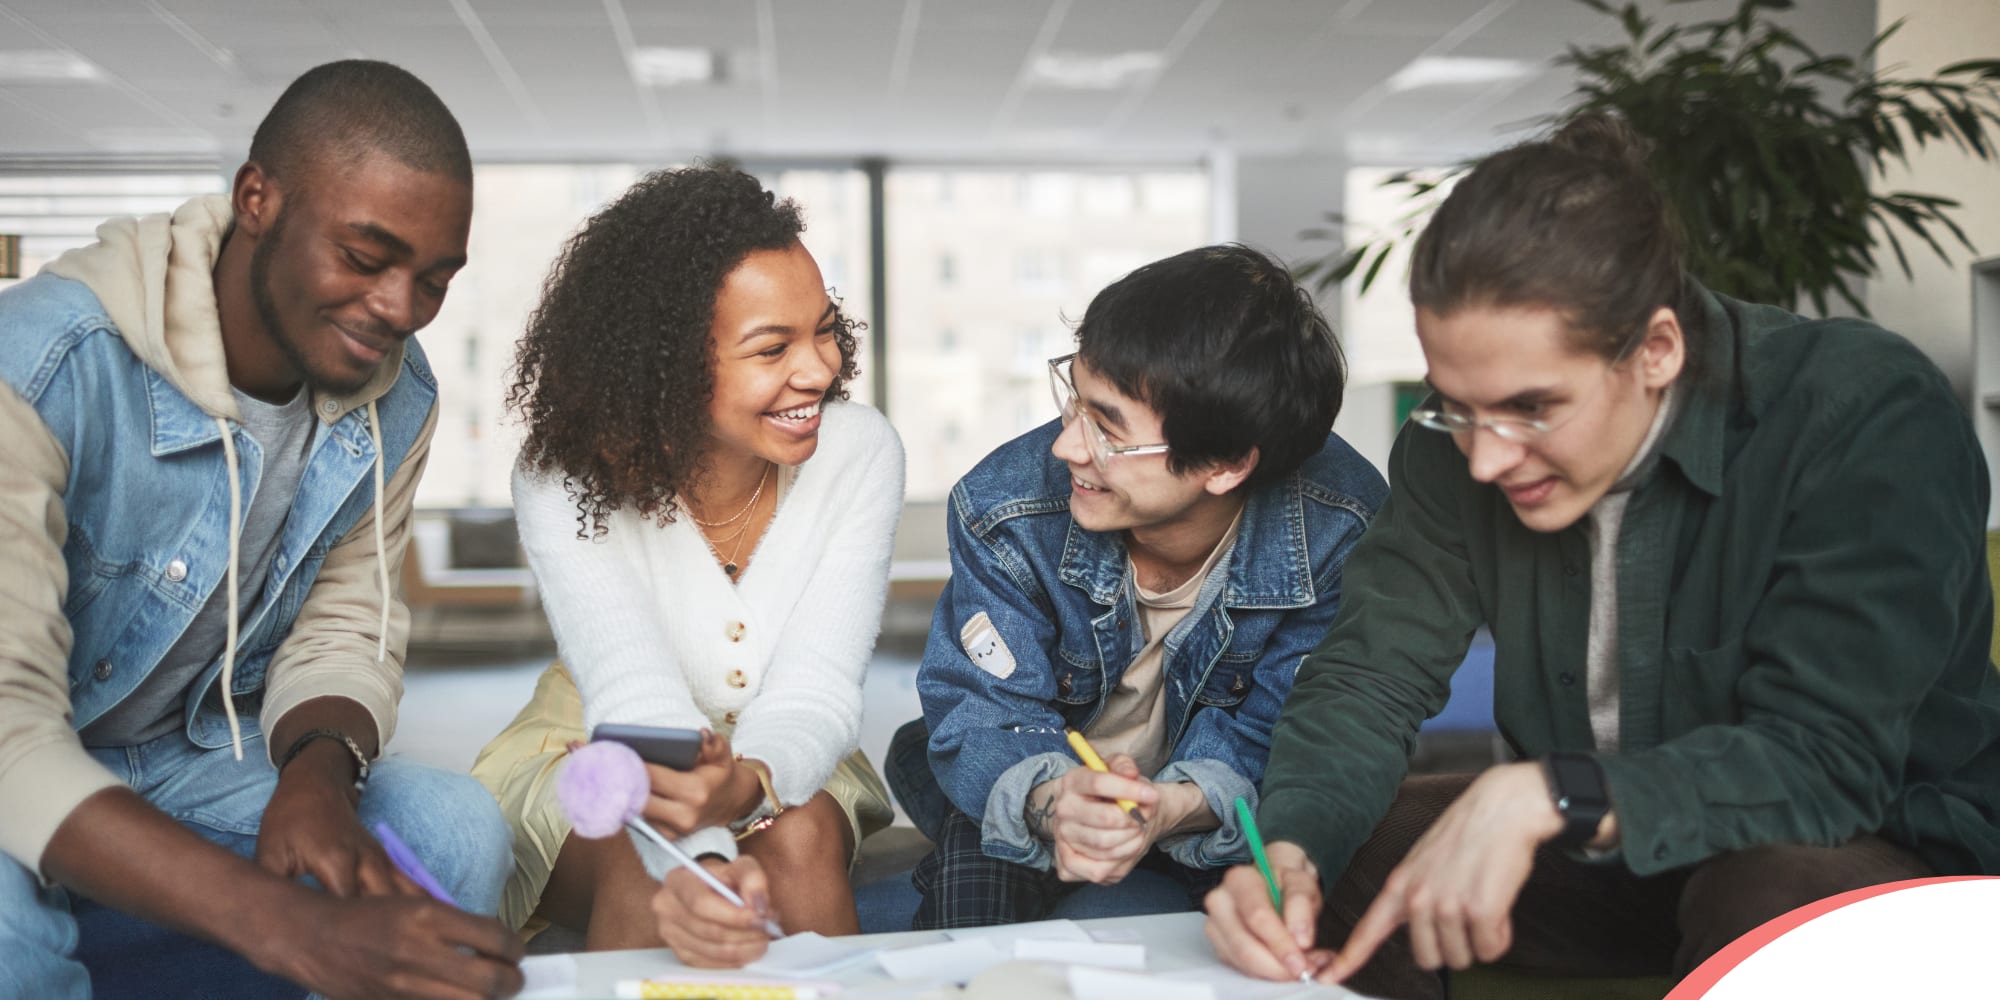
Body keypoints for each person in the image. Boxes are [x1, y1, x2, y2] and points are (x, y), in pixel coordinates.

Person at [1203, 114, 2000, 998]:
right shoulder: (1455, 445)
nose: (1485, 457)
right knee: (1350, 849)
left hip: (1876, 847)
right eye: (1455, 405)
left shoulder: (1861, 412)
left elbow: (1826, 762)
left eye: (1532, 408)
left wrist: (1549, 793)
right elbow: (1368, 677)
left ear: (1656, 350)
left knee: (1763, 892)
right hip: (1616, 857)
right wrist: (1291, 854)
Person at [0, 60, 523, 1000]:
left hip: (183, 753)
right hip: (26, 747)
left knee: (451, 826)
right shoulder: (41, 368)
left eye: (434, 280)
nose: (400, 309)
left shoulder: (398, 396)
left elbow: (346, 625)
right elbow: (8, 737)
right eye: (365, 259)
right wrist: (292, 927)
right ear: (257, 199)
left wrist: (319, 774)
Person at [470, 164, 903, 967]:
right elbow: (634, 689)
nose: (819, 370)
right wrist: (701, 856)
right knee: (648, 859)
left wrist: (753, 783)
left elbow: (816, 685)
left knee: (799, 835)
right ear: (664, 363)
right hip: (600, 745)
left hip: (793, 741)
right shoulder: (562, 476)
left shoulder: (860, 452)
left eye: (824, 329)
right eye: (772, 347)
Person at [885, 243, 1388, 929]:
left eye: (1109, 430)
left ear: (1225, 465)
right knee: (974, 874)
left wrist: (1169, 809)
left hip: (1212, 790)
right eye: (1075, 402)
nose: (1067, 448)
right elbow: (984, 712)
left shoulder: (1339, 524)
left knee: (1258, 908)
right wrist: (1060, 800)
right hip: (1036, 758)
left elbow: (1287, 735)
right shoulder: (1005, 505)